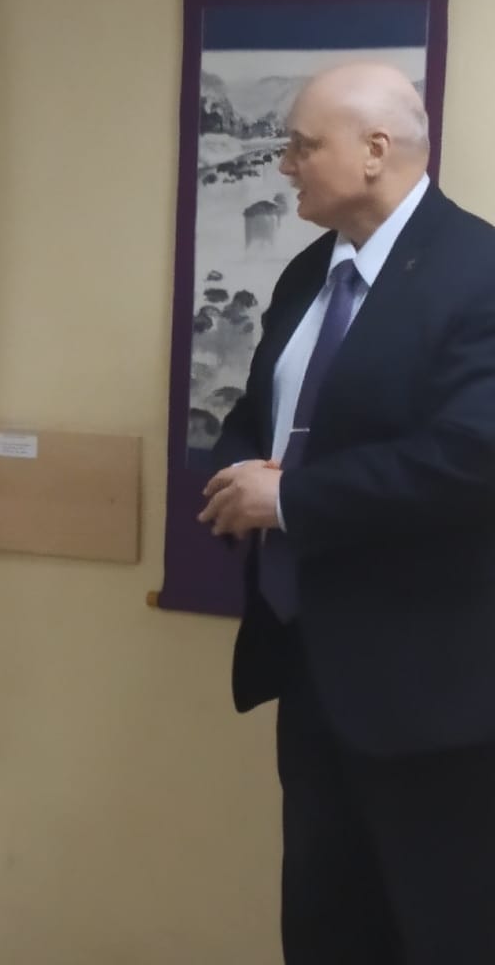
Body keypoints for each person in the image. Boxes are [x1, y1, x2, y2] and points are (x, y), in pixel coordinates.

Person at [197, 62, 495, 964]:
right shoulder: (306, 273)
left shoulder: (479, 272)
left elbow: (472, 455)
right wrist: (238, 471)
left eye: (301, 145)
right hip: (312, 666)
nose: (283, 164)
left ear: (375, 151)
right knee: (325, 930)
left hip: (434, 695)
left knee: (440, 934)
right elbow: (262, 413)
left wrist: (290, 499)